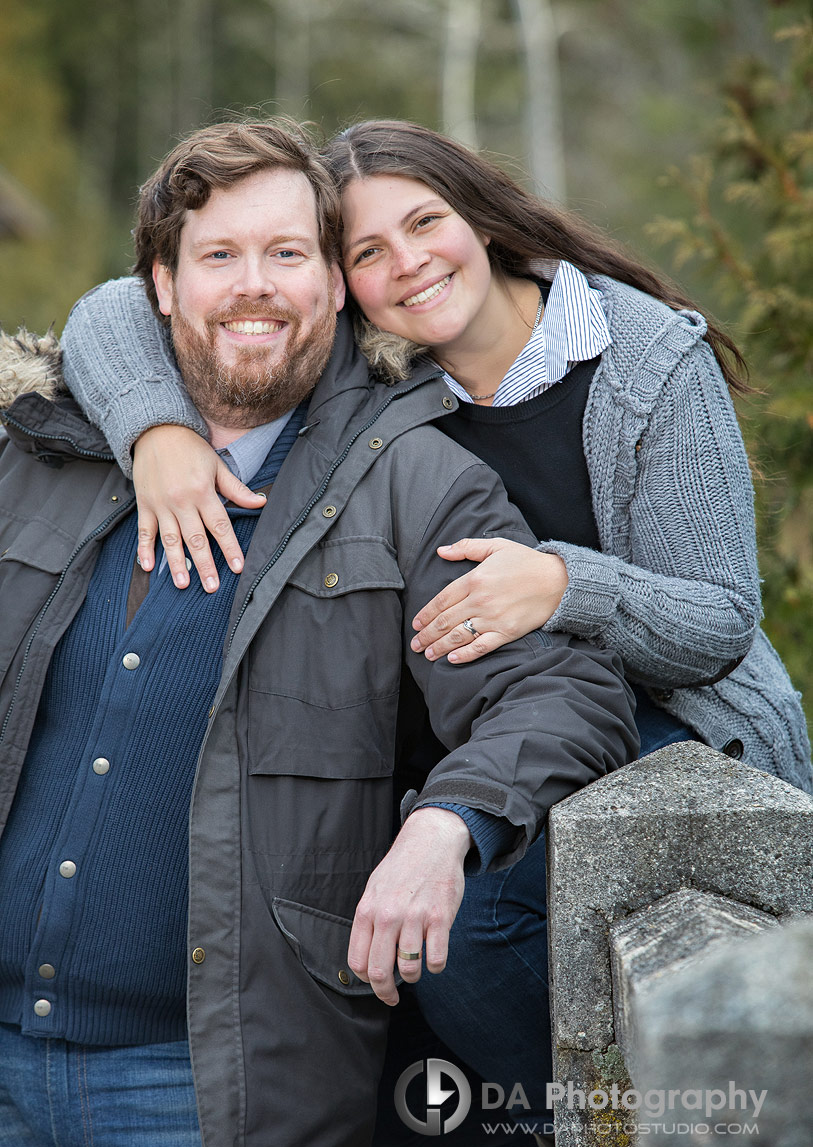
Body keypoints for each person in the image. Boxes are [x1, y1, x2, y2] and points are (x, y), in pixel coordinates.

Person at [0, 119, 638, 1147]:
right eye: (220, 256)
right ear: (159, 283)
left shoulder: (414, 485)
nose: (256, 288)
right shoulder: (39, 452)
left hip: (215, 1100)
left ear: (339, 287)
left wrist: (448, 826)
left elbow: (562, 691)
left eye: (290, 255)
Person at [61, 120, 812, 796]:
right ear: (339, 281)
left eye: (426, 223)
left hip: (679, 741)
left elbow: (721, 621)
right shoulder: (371, 354)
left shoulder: (647, 365)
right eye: (369, 252)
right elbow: (113, 307)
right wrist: (157, 432)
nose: (411, 263)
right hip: (469, 734)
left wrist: (561, 584)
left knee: (479, 931)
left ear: (480, 221)